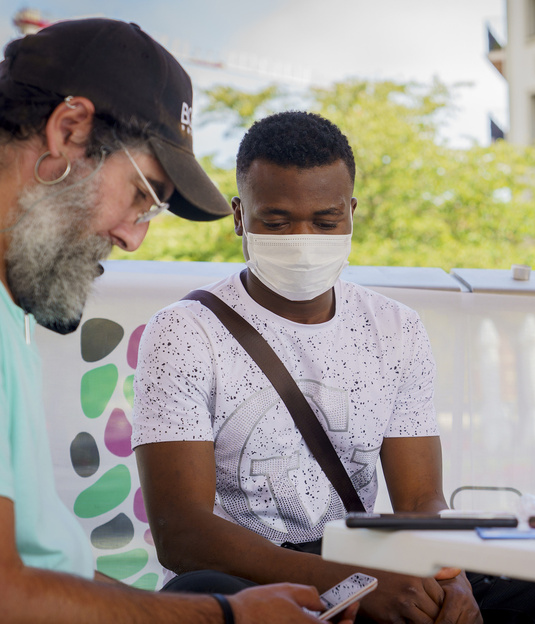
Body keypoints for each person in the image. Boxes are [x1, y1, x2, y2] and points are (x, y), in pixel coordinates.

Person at [132, 111, 535, 624]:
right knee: (198, 592)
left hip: (366, 563)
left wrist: (451, 577)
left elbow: (420, 500)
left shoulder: (396, 328)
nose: (302, 238)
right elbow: (181, 532)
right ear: (238, 217)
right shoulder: (184, 331)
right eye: (275, 221)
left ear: (352, 212)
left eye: (325, 220)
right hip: (249, 575)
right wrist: (349, 582)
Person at [0, 18, 354, 623]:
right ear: (68, 130)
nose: (134, 238)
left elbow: (44, 568)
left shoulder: (13, 316)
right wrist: (227, 616)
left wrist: (232, 604)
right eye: (143, 195)